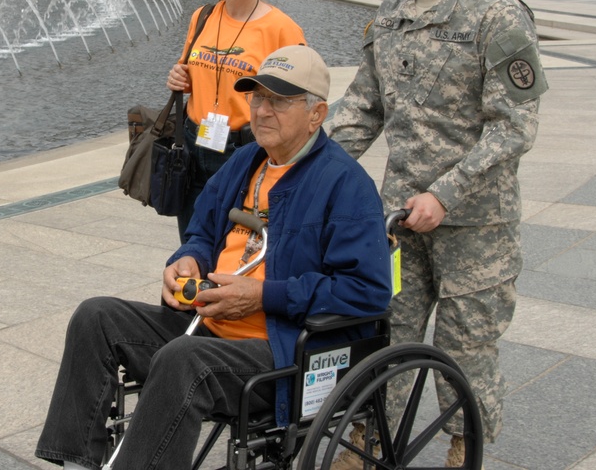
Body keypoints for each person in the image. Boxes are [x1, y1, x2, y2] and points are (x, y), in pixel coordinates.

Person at [36, 45, 393, 470]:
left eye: (278, 101)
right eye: (257, 97)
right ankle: (76, 461)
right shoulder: (246, 161)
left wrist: (263, 296)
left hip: (282, 353)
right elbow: (202, 231)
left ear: (316, 113)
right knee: (95, 317)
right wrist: (188, 258)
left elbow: (368, 292)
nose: (261, 111)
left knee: (182, 360)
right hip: (210, 326)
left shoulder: (346, 185)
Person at [328, 0, 548, 467]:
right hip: (398, 220)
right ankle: (369, 442)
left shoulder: (498, 16)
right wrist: (305, 170)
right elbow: (361, 110)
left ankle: (462, 444)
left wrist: (446, 195)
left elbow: (513, 127)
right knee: (385, 340)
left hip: (475, 226)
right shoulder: (391, 11)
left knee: (466, 349)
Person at [166, 0, 306, 242]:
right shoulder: (202, 16)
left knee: (236, 245)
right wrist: (179, 77)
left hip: (244, 151)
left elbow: (300, 102)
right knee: (193, 243)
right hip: (194, 143)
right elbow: (191, 70)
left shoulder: (282, 29)